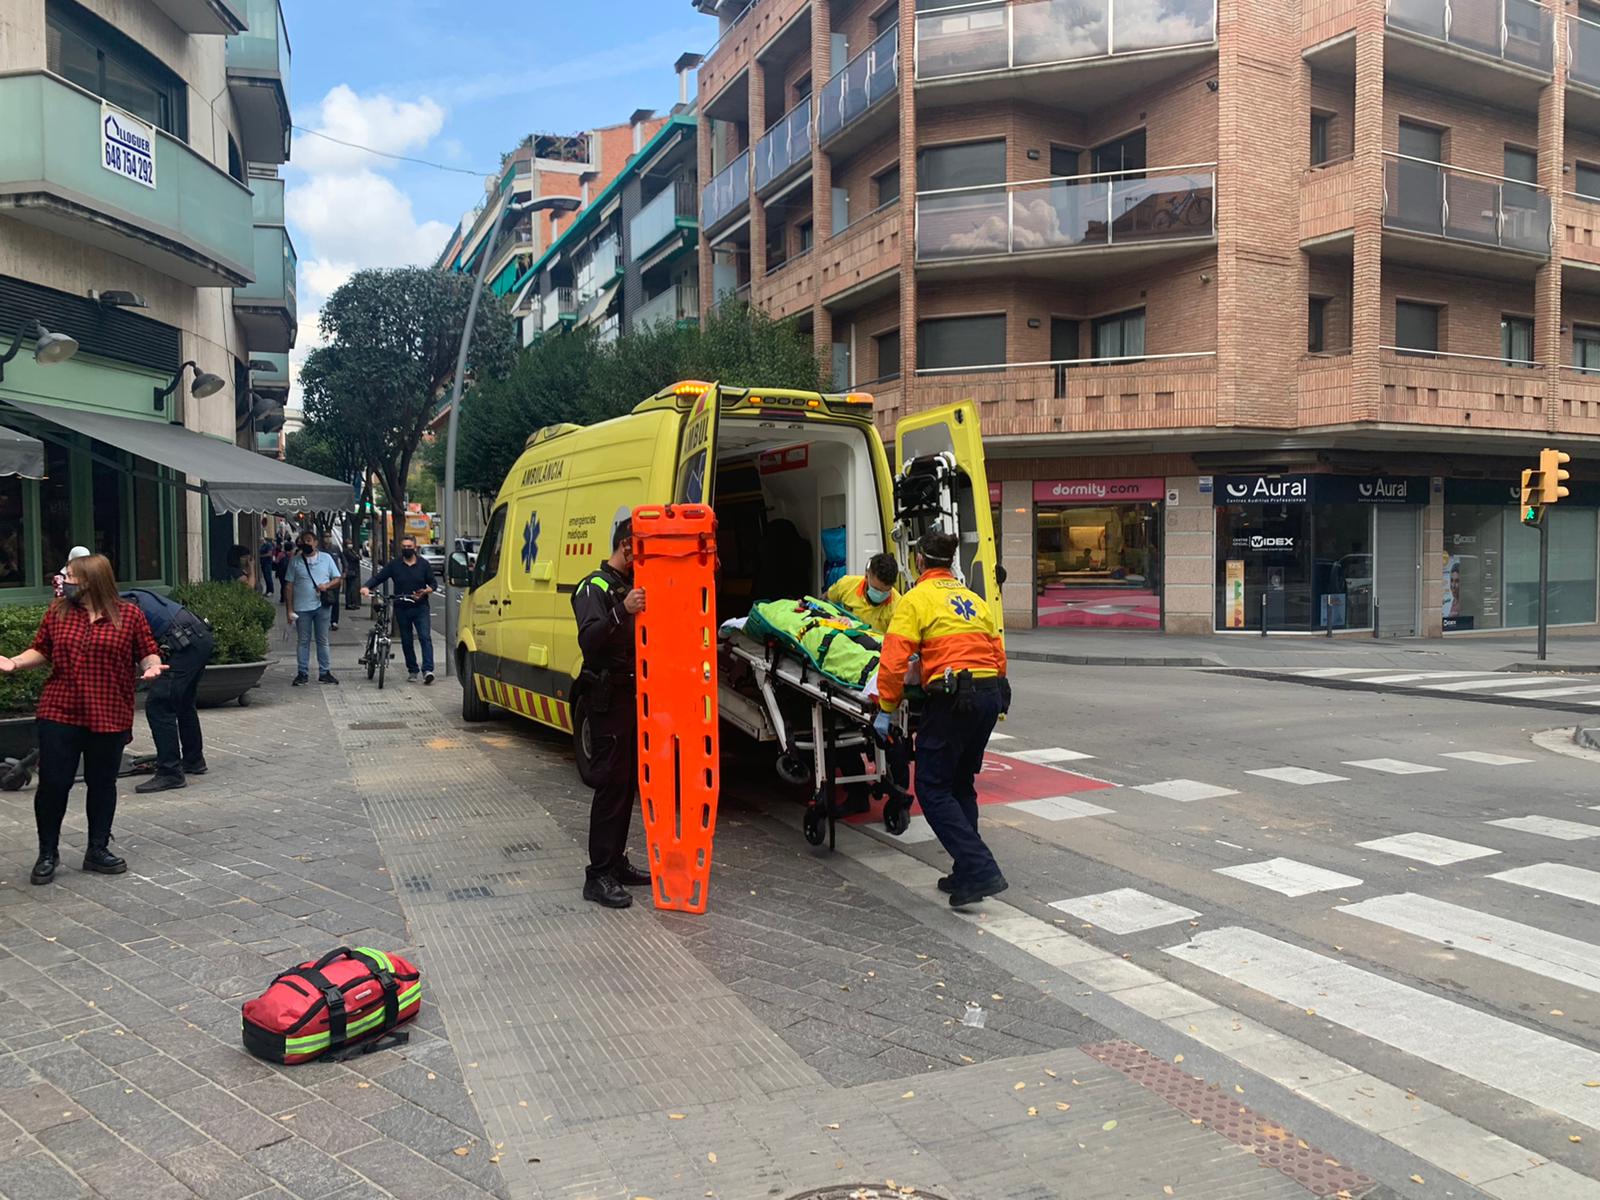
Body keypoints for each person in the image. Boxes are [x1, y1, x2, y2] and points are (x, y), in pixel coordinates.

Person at [0, 554, 166, 885]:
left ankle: (97, 850)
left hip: (109, 711)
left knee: (102, 783)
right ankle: (48, 852)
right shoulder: (58, 612)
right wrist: (15, 663)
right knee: (53, 784)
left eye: (70, 576)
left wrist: (151, 665)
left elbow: (147, 649)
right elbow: (42, 649)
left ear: (90, 580)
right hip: (61, 709)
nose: (64, 581)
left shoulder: (128, 615)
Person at [874, 531, 1010, 908]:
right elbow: (998, 655)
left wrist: (887, 708)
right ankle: (967, 872)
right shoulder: (973, 599)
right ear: (949, 563)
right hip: (987, 695)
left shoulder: (916, 599)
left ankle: (980, 867)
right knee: (961, 784)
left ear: (919, 561)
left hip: (952, 699)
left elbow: (893, 660)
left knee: (933, 789)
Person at [571, 518, 651, 909]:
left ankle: (615, 863)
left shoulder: (626, 587)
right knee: (610, 785)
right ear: (626, 546)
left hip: (629, 694)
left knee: (624, 784)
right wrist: (623, 610)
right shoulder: (595, 586)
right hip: (607, 696)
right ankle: (597, 874)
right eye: (641, 548)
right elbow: (589, 638)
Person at [122, 588, 215, 793]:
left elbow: (130, 649)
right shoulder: (127, 597)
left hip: (185, 644)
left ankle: (170, 773)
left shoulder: (122, 606)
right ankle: (193, 760)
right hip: (198, 638)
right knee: (182, 701)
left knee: (159, 704)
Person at [361, 535, 436, 683]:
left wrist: (425, 591)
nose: (406, 549)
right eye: (404, 547)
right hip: (401, 607)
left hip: (420, 607)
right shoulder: (394, 565)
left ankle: (428, 670)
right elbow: (379, 577)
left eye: (409, 547)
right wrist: (366, 587)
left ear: (415, 547)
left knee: (425, 638)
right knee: (406, 640)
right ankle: (412, 670)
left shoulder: (424, 565)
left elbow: (433, 584)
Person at [284, 530, 341, 686]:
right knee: (303, 640)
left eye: (309, 540)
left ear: (316, 542)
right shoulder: (295, 561)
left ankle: (325, 672)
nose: (306, 543)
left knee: (322, 640)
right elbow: (288, 585)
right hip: (302, 608)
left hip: (321, 606)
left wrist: (326, 585)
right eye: (303, 541)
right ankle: (302, 672)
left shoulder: (326, 559)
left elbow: (337, 579)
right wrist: (289, 610)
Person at [824, 552, 902, 635]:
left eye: (885, 591)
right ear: (866, 576)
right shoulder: (846, 584)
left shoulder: (899, 606)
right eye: (876, 589)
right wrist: (835, 618)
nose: (880, 594)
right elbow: (823, 601)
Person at [320, 534, 345, 631]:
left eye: (329, 536)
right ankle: (322, 619)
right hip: (323, 579)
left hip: (335, 579)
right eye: (325, 536)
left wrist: (344, 572)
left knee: (335, 600)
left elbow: (343, 560)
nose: (328, 538)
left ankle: (334, 621)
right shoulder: (319, 549)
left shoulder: (335, 548)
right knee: (323, 600)